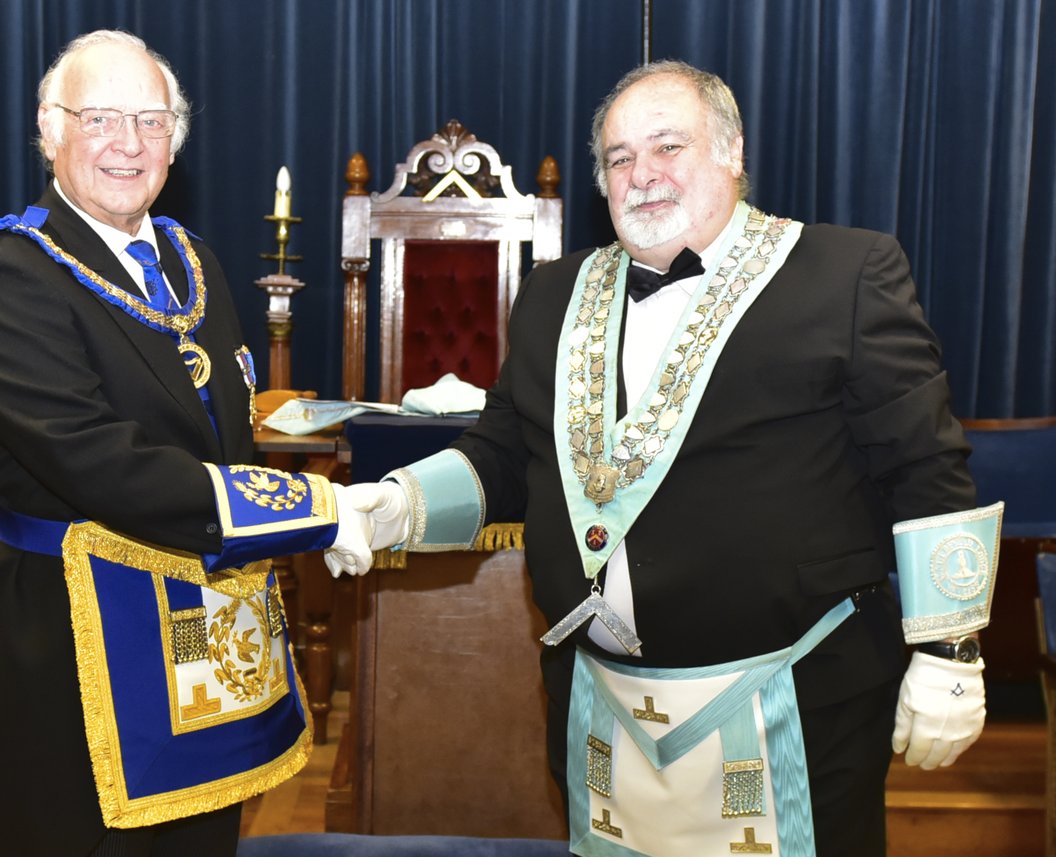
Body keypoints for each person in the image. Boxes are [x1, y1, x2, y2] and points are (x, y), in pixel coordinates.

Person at [341, 60, 1001, 857]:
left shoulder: (846, 273)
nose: (642, 176)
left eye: (667, 147)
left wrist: (949, 650)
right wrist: (400, 502)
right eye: (620, 158)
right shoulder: (553, 294)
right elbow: (506, 454)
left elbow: (925, 465)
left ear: (732, 152)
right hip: (600, 709)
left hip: (792, 700)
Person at [0, 30, 369, 857]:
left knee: (198, 838)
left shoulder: (193, 261)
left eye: (152, 120)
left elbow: (227, 437)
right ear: (50, 128)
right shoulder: (3, 270)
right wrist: (314, 511)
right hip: (71, 648)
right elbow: (95, 459)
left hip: (202, 628)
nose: (129, 144)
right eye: (101, 118)